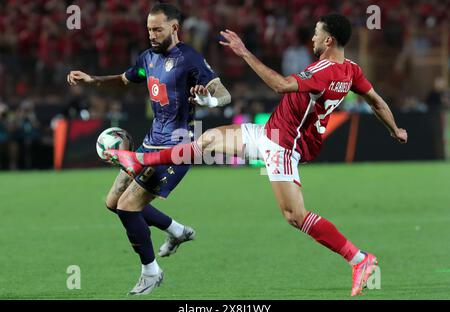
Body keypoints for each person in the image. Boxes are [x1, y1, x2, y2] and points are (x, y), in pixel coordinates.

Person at [105, 14, 407, 296]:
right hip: (270, 134)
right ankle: (141, 160)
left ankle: (359, 258)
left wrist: (244, 52)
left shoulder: (323, 71)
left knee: (295, 216)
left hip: (284, 146)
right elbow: (376, 101)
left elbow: (280, 85)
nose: (312, 38)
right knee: (208, 140)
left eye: (316, 34)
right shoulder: (351, 70)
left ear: (328, 41)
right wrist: (395, 129)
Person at [67, 3, 231, 295]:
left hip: (178, 146)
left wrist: (209, 102)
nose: (152, 35)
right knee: (112, 202)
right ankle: (177, 231)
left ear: (174, 28)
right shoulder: (147, 57)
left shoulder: (190, 58)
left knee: (128, 207)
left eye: (158, 29)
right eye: (149, 29)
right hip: (150, 140)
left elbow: (224, 94)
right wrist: (93, 80)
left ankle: (151, 272)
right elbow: (125, 80)